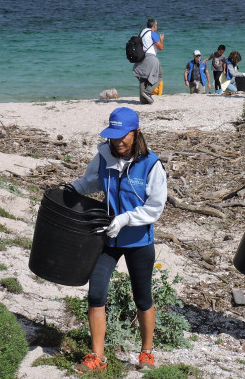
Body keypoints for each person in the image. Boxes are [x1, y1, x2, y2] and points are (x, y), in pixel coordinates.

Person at [71, 107, 168, 373]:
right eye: (114, 137)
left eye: (123, 136)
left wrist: (124, 219)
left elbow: (155, 208)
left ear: (136, 132)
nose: (118, 142)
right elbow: (92, 182)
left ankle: (146, 352)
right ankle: (97, 357)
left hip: (138, 241)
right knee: (95, 294)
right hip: (107, 240)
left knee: (143, 298)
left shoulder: (151, 164)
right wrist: (73, 188)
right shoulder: (104, 155)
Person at [132, 18, 165, 104]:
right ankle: (148, 91)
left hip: (141, 57)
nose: (157, 27)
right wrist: (161, 39)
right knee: (159, 75)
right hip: (151, 58)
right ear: (154, 26)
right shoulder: (152, 33)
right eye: (156, 25)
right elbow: (161, 48)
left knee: (143, 77)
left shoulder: (141, 33)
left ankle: (143, 100)